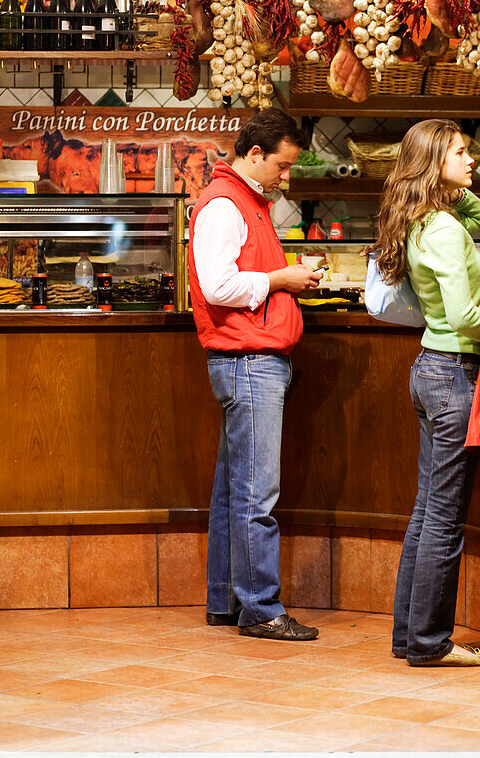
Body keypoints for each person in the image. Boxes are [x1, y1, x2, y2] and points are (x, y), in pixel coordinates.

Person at [188, 108, 324, 641]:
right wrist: (282, 278)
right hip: (248, 359)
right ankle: (261, 608)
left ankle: (227, 601)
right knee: (255, 494)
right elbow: (218, 286)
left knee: (233, 491)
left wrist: (283, 278)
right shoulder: (224, 204)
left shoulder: (249, 201)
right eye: (282, 166)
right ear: (253, 155)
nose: (286, 177)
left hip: (252, 358)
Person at [368, 118, 480, 668]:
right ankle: (428, 642)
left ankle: (408, 636)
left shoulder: (426, 219)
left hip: (431, 371)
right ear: (434, 161)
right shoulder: (443, 230)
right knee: (444, 518)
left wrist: (455, 189)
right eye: (461, 153)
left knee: (428, 512)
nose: (473, 160)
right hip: (453, 375)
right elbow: (466, 316)